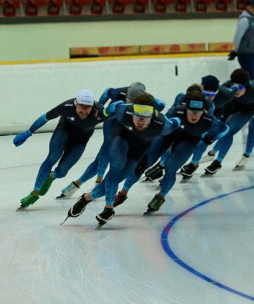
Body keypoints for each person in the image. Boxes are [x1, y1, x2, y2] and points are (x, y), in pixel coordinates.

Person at [65, 92, 179, 227]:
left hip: (139, 150)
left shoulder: (164, 123)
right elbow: (110, 109)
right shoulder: (123, 110)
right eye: (137, 116)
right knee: (115, 170)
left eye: (145, 117)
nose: (140, 121)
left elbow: (175, 124)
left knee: (112, 181)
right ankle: (108, 209)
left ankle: (86, 198)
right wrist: (104, 113)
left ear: (153, 114)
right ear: (133, 110)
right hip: (121, 139)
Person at [118, 90, 229, 214]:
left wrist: (213, 138)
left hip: (188, 141)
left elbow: (225, 128)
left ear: (204, 111)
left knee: (170, 169)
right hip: (168, 136)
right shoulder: (176, 111)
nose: (194, 116)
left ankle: (161, 197)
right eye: (192, 111)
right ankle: (123, 192)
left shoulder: (209, 120)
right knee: (143, 163)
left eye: (198, 112)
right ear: (185, 108)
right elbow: (159, 122)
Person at [58, 82, 164, 199]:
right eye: (128, 99)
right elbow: (107, 92)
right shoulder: (119, 92)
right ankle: (95, 181)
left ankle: (78, 183)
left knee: (111, 159)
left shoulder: (147, 101)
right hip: (114, 120)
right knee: (106, 149)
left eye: (133, 102)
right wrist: (98, 109)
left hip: (129, 126)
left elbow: (160, 105)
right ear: (126, 94)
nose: (129, 102)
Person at [13, 89, 106, 209]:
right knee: (52, 158)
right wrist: (28, 132)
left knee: (62, 172)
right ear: (75, 104)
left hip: (81, 139)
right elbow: (44, 117)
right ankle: (34, 193)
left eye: (88, 108)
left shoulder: (99, 111)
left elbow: (116, 120)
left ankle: (51, 176)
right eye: (82, 107)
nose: (84, 111)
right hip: (64, 131)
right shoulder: (66, 106)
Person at [202, 69, 254, 175]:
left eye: (240, 87)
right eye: (235, 86)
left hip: (246, 110)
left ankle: (219, 161)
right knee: (220, 128)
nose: (236, 90)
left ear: (246, 86)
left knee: (229, 130)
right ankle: (212, 153)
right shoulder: (227, 86)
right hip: (230, 106)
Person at [228, 0, 254, 79]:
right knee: (249, 78)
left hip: (252, 53)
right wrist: (235, 50)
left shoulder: (252, 19)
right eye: (253, 7)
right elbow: (238, 36)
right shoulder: (245, 20)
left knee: (252, 77)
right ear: (247, 7)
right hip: (246, 54)